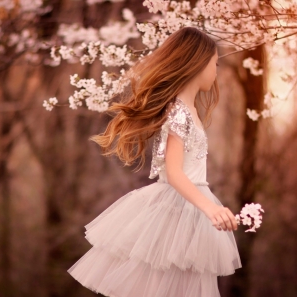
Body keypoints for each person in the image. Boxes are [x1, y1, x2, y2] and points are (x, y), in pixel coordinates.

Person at [68, 26, 241, 297]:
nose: (216, 71)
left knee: (183, 284)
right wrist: (210, 208)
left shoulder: (188, 110)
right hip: (179, 206)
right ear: (197, 63)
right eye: (214, 64)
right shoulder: (179, 113)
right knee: (163, 285)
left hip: (190, 207)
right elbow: (173, 172)